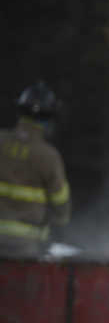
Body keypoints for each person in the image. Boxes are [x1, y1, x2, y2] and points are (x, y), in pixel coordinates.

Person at [0, 81, 70, 257]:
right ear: (49, 118)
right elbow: (62, 207)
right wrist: (59, 223)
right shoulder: (48, 156)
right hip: (26, 248)